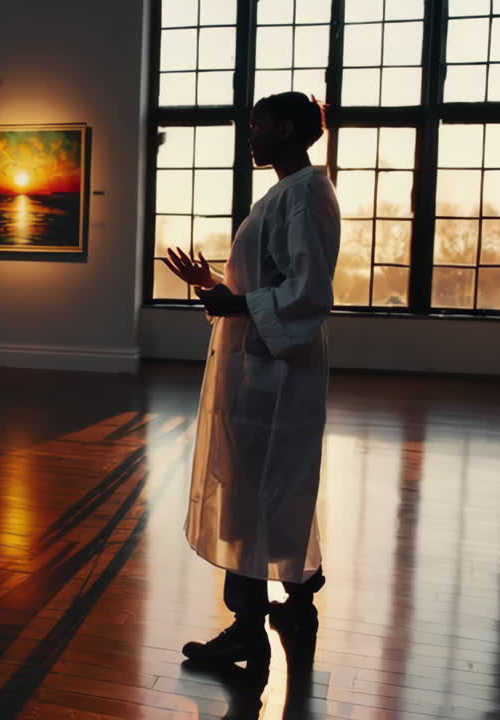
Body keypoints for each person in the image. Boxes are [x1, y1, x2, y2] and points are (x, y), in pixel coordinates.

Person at [162, 91, 340, 665]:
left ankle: (247, 626)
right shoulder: (291, 192)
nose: (251, 135)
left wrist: (229, 303)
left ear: (286, 129)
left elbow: (307, 292)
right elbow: (272, 280)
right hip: (262, 367)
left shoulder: (304, 194)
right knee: (272, 487)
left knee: (252, 493)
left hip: (274, 373)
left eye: (258, 125)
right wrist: (214, 282)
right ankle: (296, 604)